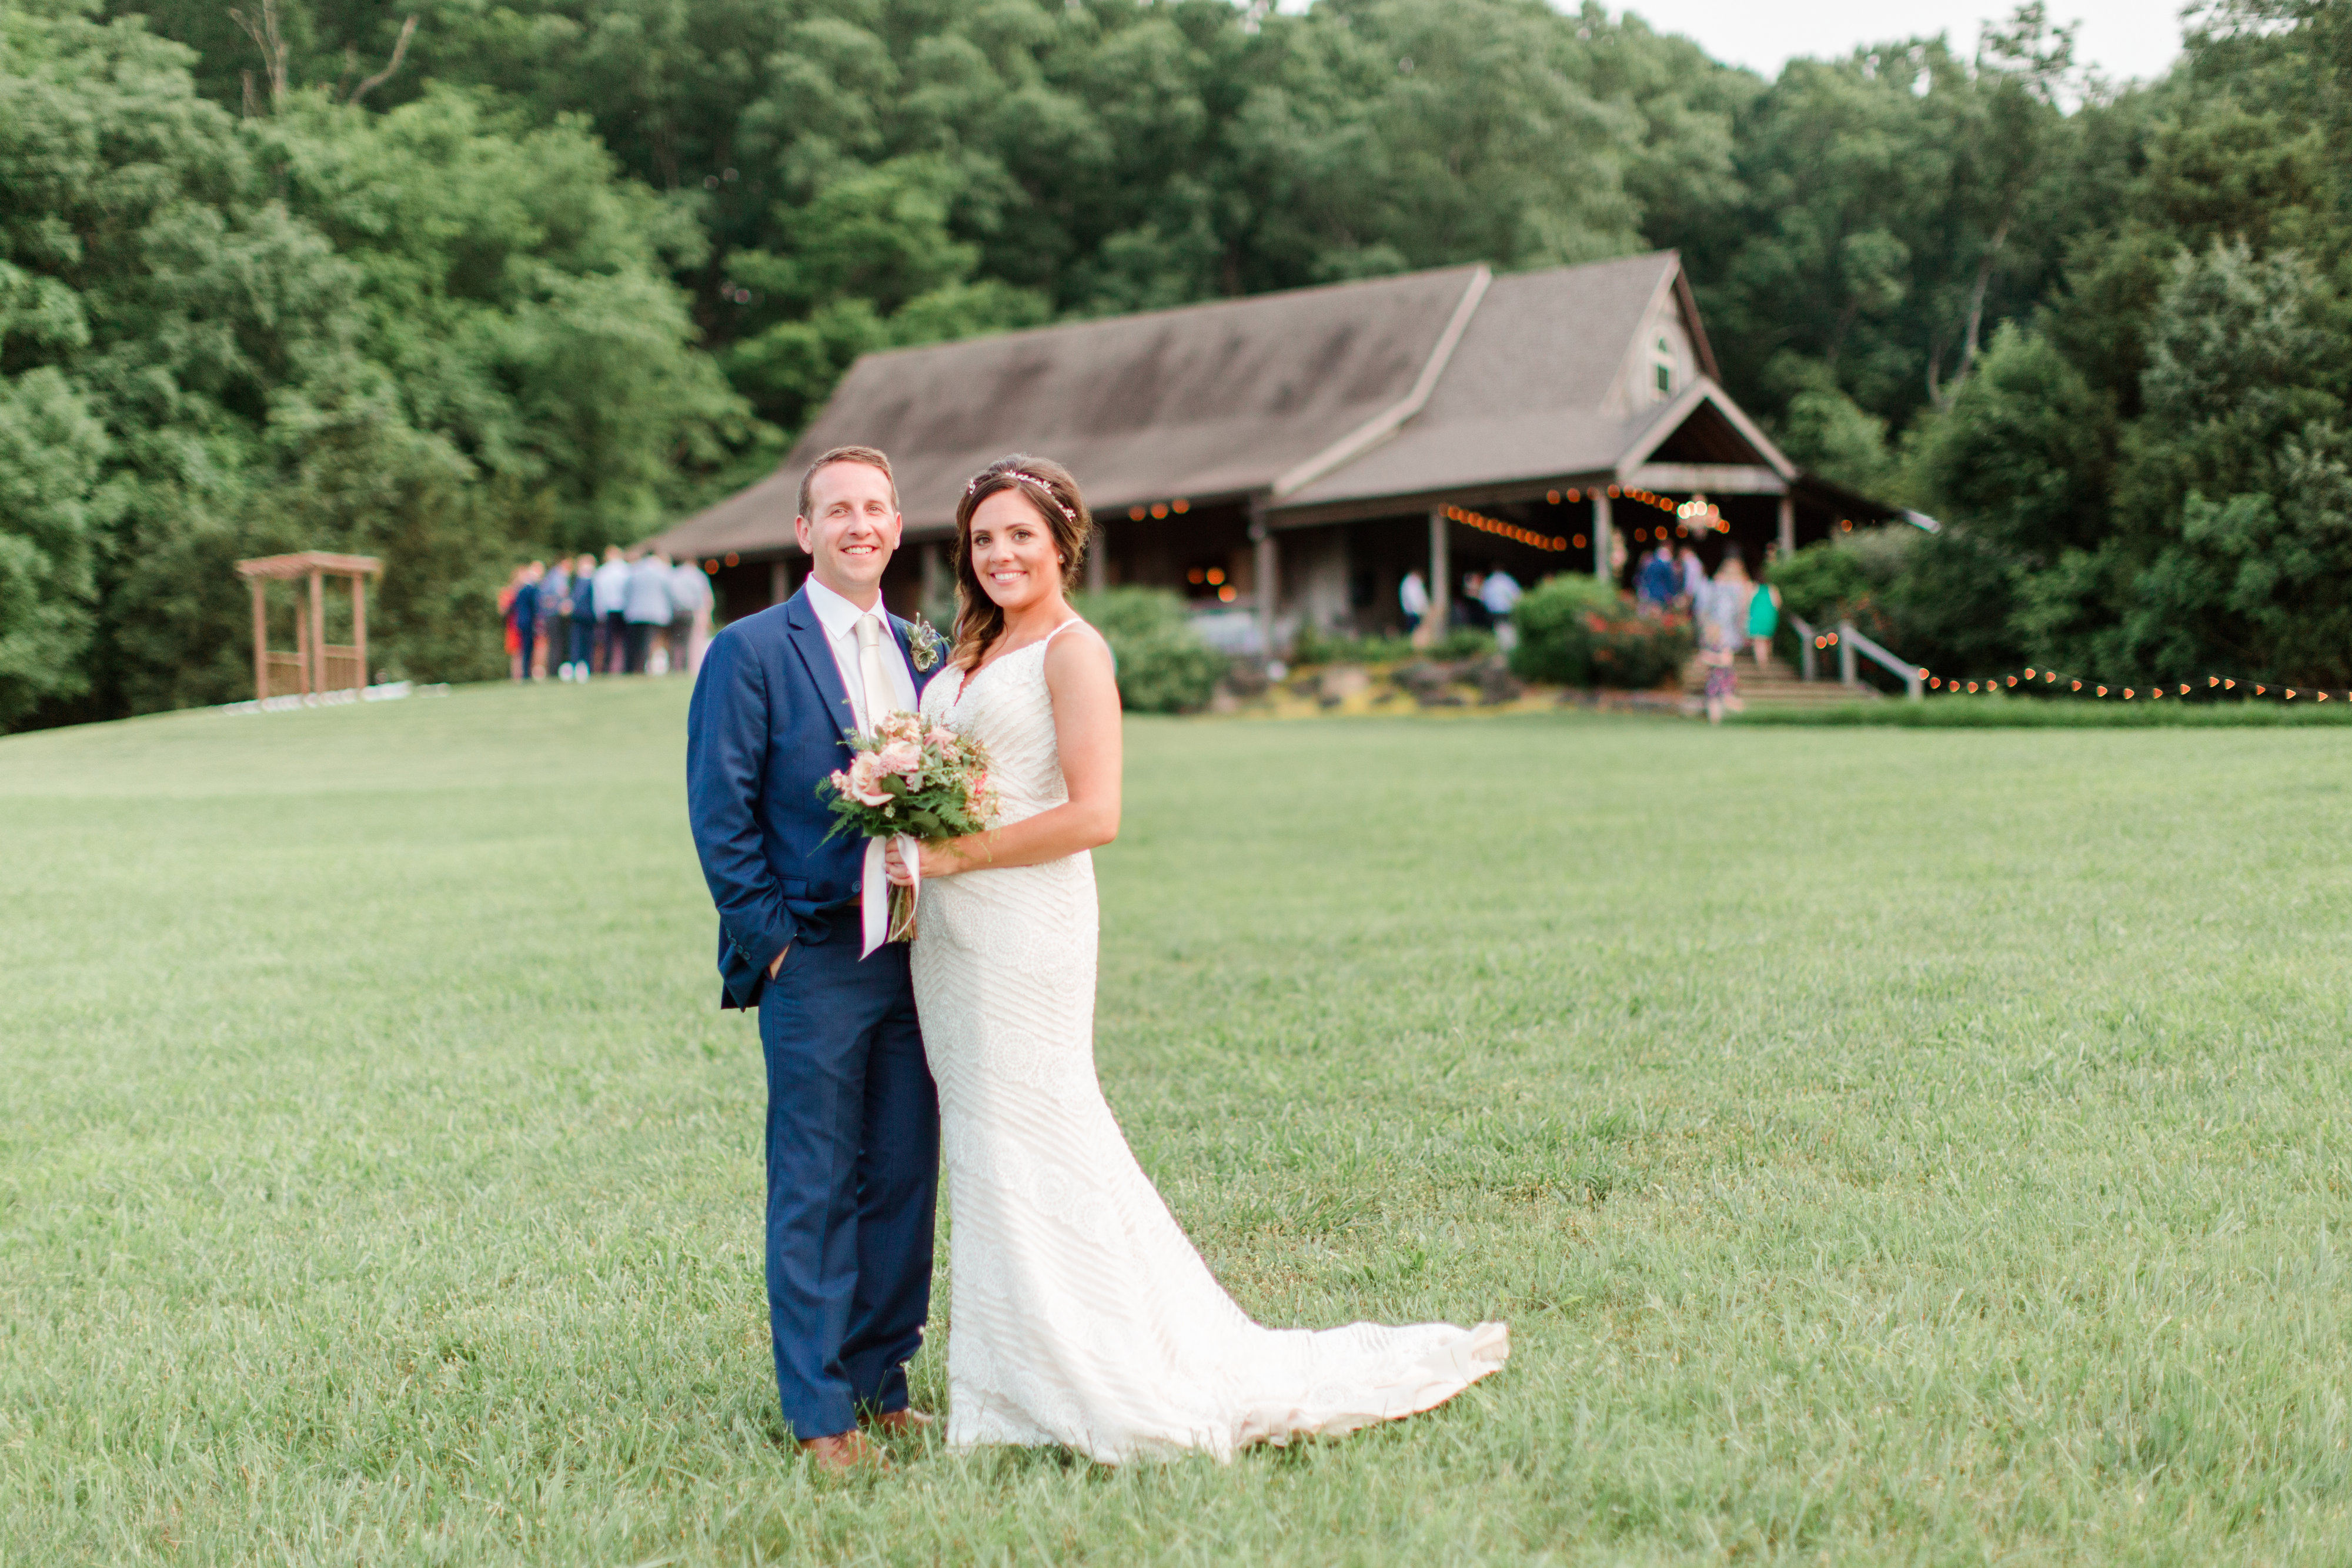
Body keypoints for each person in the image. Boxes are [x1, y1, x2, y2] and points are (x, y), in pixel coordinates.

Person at [883, 454, 1506, 1463]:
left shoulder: (1074, 652)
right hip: (951, 938)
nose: (999, 553)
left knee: (1035, 1127)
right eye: (983, 537)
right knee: (991, 1146)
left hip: (1025, 926)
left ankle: (1079, 1372)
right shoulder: (967, 653)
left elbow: (1097, 813)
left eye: (1019, 535)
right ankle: (1014, 1368)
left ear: (1060, 544)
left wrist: (944, 852)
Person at [684, 445, 941, 1475]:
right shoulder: (750, 653)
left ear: (894, 522)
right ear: (805, 532)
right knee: (816, 1183)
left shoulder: (921, 647)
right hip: (818, 955)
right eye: (838, 510)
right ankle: (820, 1413)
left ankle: (884, 1384)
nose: (860, 524)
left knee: (902, 1177)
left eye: (876, 507)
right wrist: (778, 947)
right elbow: (721, 815)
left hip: (921, 957)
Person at [1698, 553, 1753, 725]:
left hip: (1724, 636)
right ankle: (1718, 717)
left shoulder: (1730, 586)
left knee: (1724, 688)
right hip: (1722, 634)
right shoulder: (1725, 587)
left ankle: (1733, 705)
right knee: (1717, 691)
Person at [624, 550, 673, 674]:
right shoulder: (663, 570)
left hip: (636, 612)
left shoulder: (634, 570)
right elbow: (670, 592)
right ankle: (649, 666)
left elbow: (627, 591)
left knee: (637, 643)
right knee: (652, 641)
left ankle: (637, 667)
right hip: (656, 613)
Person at [669, 554, 716, 676]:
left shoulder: (674, 574)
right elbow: (704, 596)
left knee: (676, 641)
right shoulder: (698, 575)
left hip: (676, 611)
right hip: (691, 611)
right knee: (690, 641)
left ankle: (676, 667)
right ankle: (688, 668)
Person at [592, 546, 631, 674]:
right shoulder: (628, 570)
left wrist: (599, 611)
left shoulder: (602, 572)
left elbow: (598, 595)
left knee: (608, 641)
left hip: (608, 609)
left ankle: (606, 667)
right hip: (624, 608)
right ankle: (625, 667)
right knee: (625, 641)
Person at [542, 557, 573, 680]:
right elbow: (561, 594)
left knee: (556, 644)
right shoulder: (558, 577)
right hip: (555, 615)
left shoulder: (551, 577)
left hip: (552, 615)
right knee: (557, 645)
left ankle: (555, 671)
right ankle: (555, 672)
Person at [1480, 567, 1523, 651]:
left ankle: (1503, 649)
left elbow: (1483, 599)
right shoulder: (1509, 580)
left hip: (1494, 613)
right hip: (1508, 611)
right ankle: (1511, 649)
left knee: (1499, 630)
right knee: (1511, 631)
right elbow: (1517, 596)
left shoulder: (1489, 581)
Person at [1635, 545, 1677, 612]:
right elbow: (1670, 582)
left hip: (1649, 594)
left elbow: (1643, 579)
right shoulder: (1666, 567)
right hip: (1662, 596)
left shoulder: (1650, 565)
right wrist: (1671, 594)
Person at [1398, 569, 1429, 636]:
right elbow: (1415, 598)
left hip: (1414, 610)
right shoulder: (1412, 582)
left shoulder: (1410, 582)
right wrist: (1422, 608)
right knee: (1415, 630)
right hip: (1414, 611)